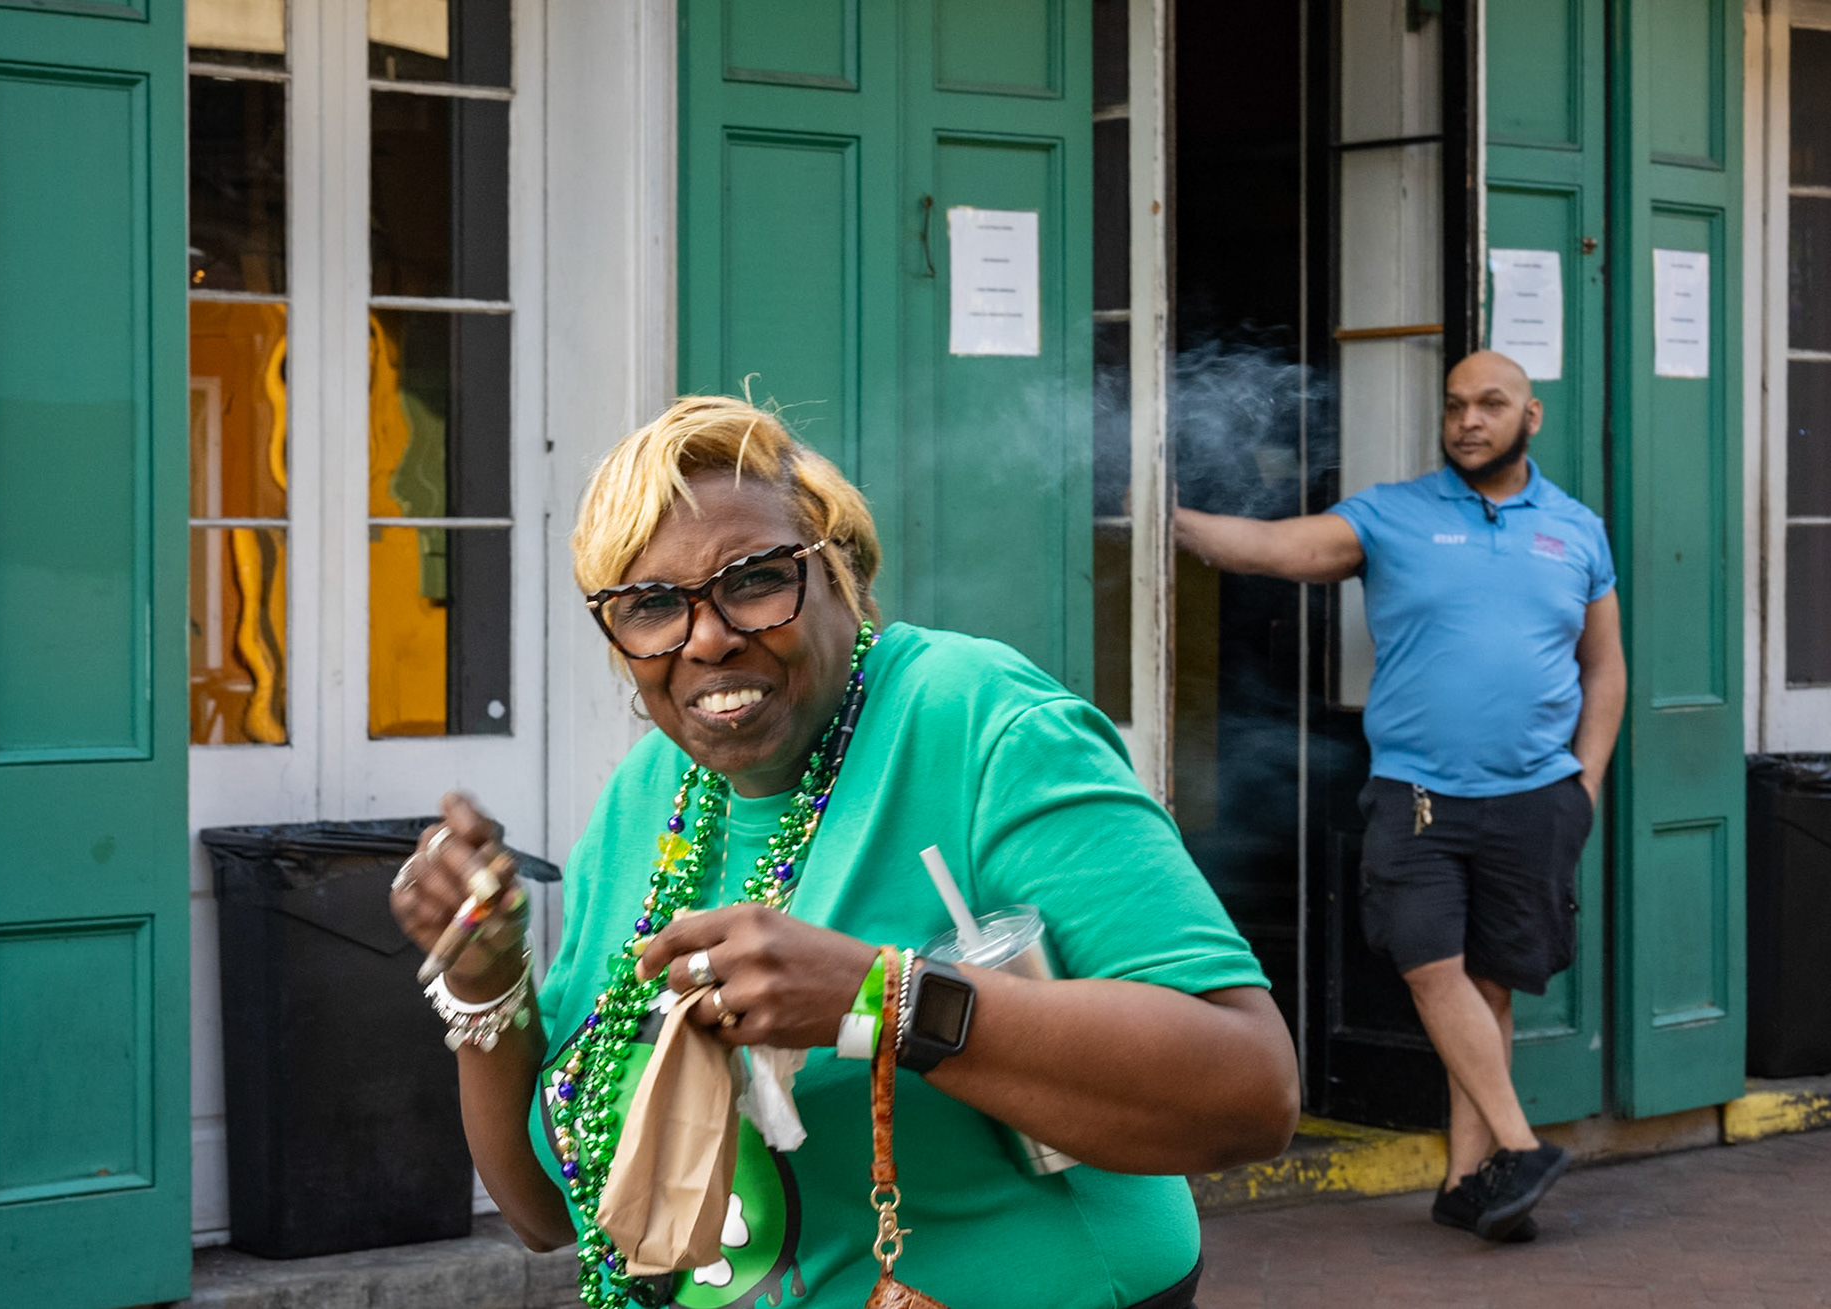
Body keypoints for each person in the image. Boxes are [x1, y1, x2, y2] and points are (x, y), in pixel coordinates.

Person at [390, 396, 1300, 1309]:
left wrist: (881, 1000)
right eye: (652, 606)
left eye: (755, 580)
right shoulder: (649, 798)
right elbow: (549, 1213)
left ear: (842, 571)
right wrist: (485, 983)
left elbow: (1249, 1090)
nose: (707, 637)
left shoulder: (978, 721)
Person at [1173, 350, 1627, 1243]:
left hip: (1536, 796)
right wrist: (1170, 518)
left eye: (1489, 404)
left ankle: (1470, 1183)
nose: (1468, 420)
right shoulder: (1393, 515)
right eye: (1455, 404)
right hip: (1417, 795)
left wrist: (1587, 782)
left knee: (1489, 986)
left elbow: (1604, 665)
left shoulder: (1577, 530)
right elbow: (1274, 547)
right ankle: (1520, 1144)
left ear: (1530, 416)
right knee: (1429, 965)